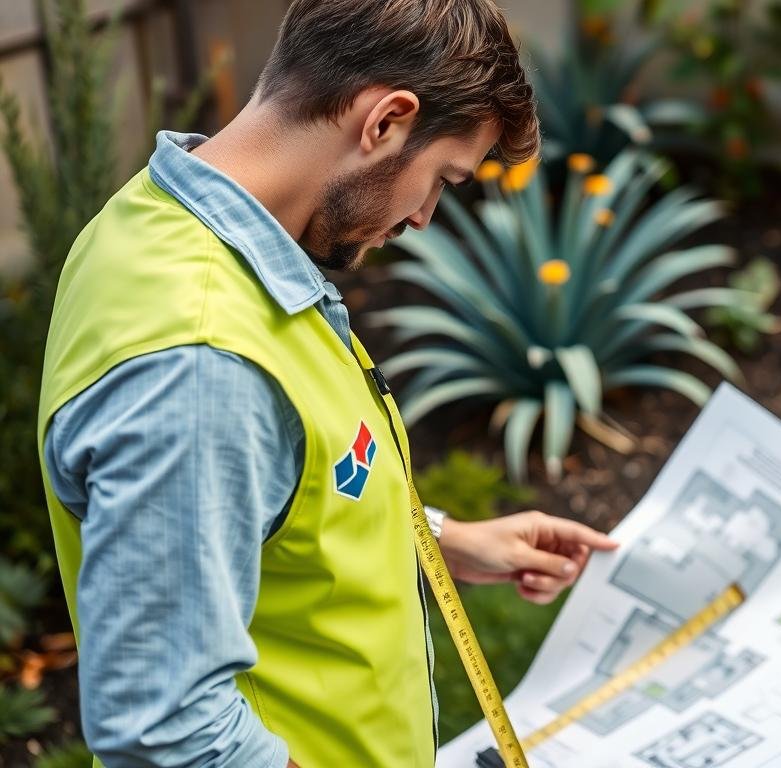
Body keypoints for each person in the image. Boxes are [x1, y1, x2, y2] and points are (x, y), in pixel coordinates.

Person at [35, 1, 618, 766]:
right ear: (386, 122)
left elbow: (267, 493)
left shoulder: (163, 221)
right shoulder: (203, 364)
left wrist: (439, 541)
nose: (424, 220)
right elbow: (166, 729)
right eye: (441, 179)